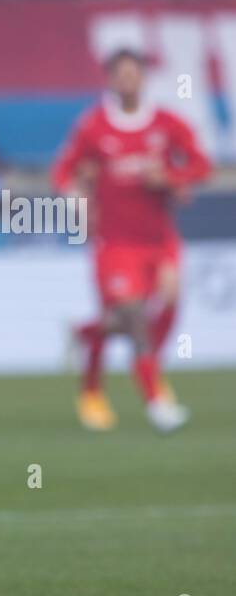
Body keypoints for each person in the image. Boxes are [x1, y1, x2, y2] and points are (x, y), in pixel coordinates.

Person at [52, 48, 211, 433]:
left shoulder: (167, 123)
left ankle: (84, 334)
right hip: (115, 242)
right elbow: (63, 172)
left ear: (143, 78)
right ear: (109, 80)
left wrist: (172, 180)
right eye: (119, 74)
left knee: (162, 309)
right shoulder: (94, 127)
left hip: (160, 239)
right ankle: (149, 399)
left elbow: (201, 165)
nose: (126, 80)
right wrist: (76, 197)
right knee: (134, 315)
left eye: (133, 73)